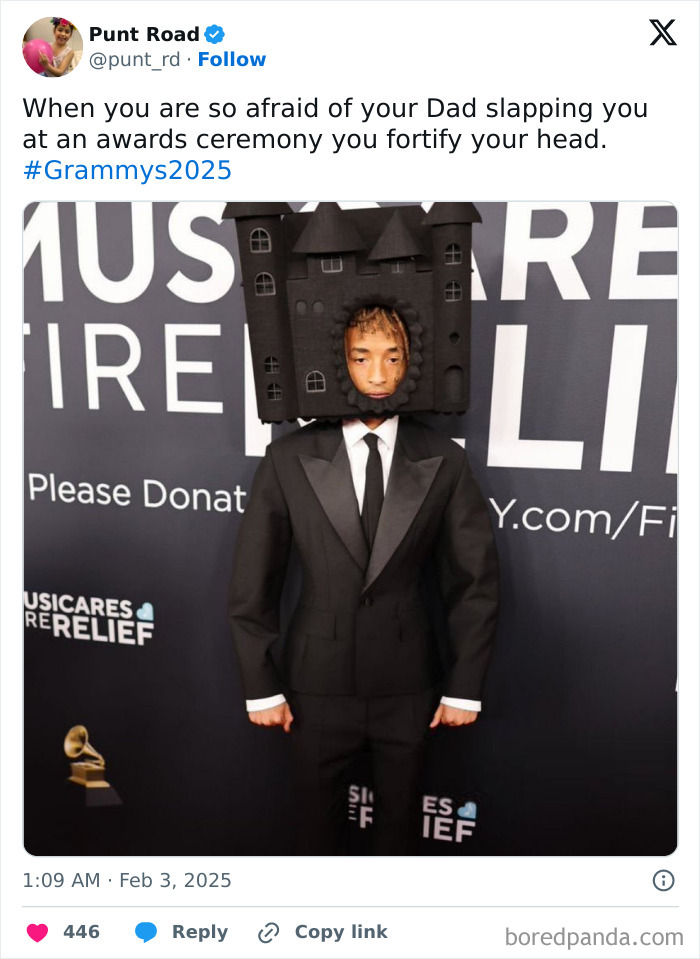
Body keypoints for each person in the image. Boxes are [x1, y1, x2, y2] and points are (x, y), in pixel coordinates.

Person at [229, 305, 498, 854]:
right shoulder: (287, 458)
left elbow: (474, 581)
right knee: (314, 831)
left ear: (413, 363)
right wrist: (261, 685)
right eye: (361, 357)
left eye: (393, 357)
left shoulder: (444, 460)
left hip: (410, 686)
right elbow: (254, 579)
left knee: (399, 834)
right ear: (338, 362)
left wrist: (465, 685)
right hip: (313, 687)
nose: (378, 374)